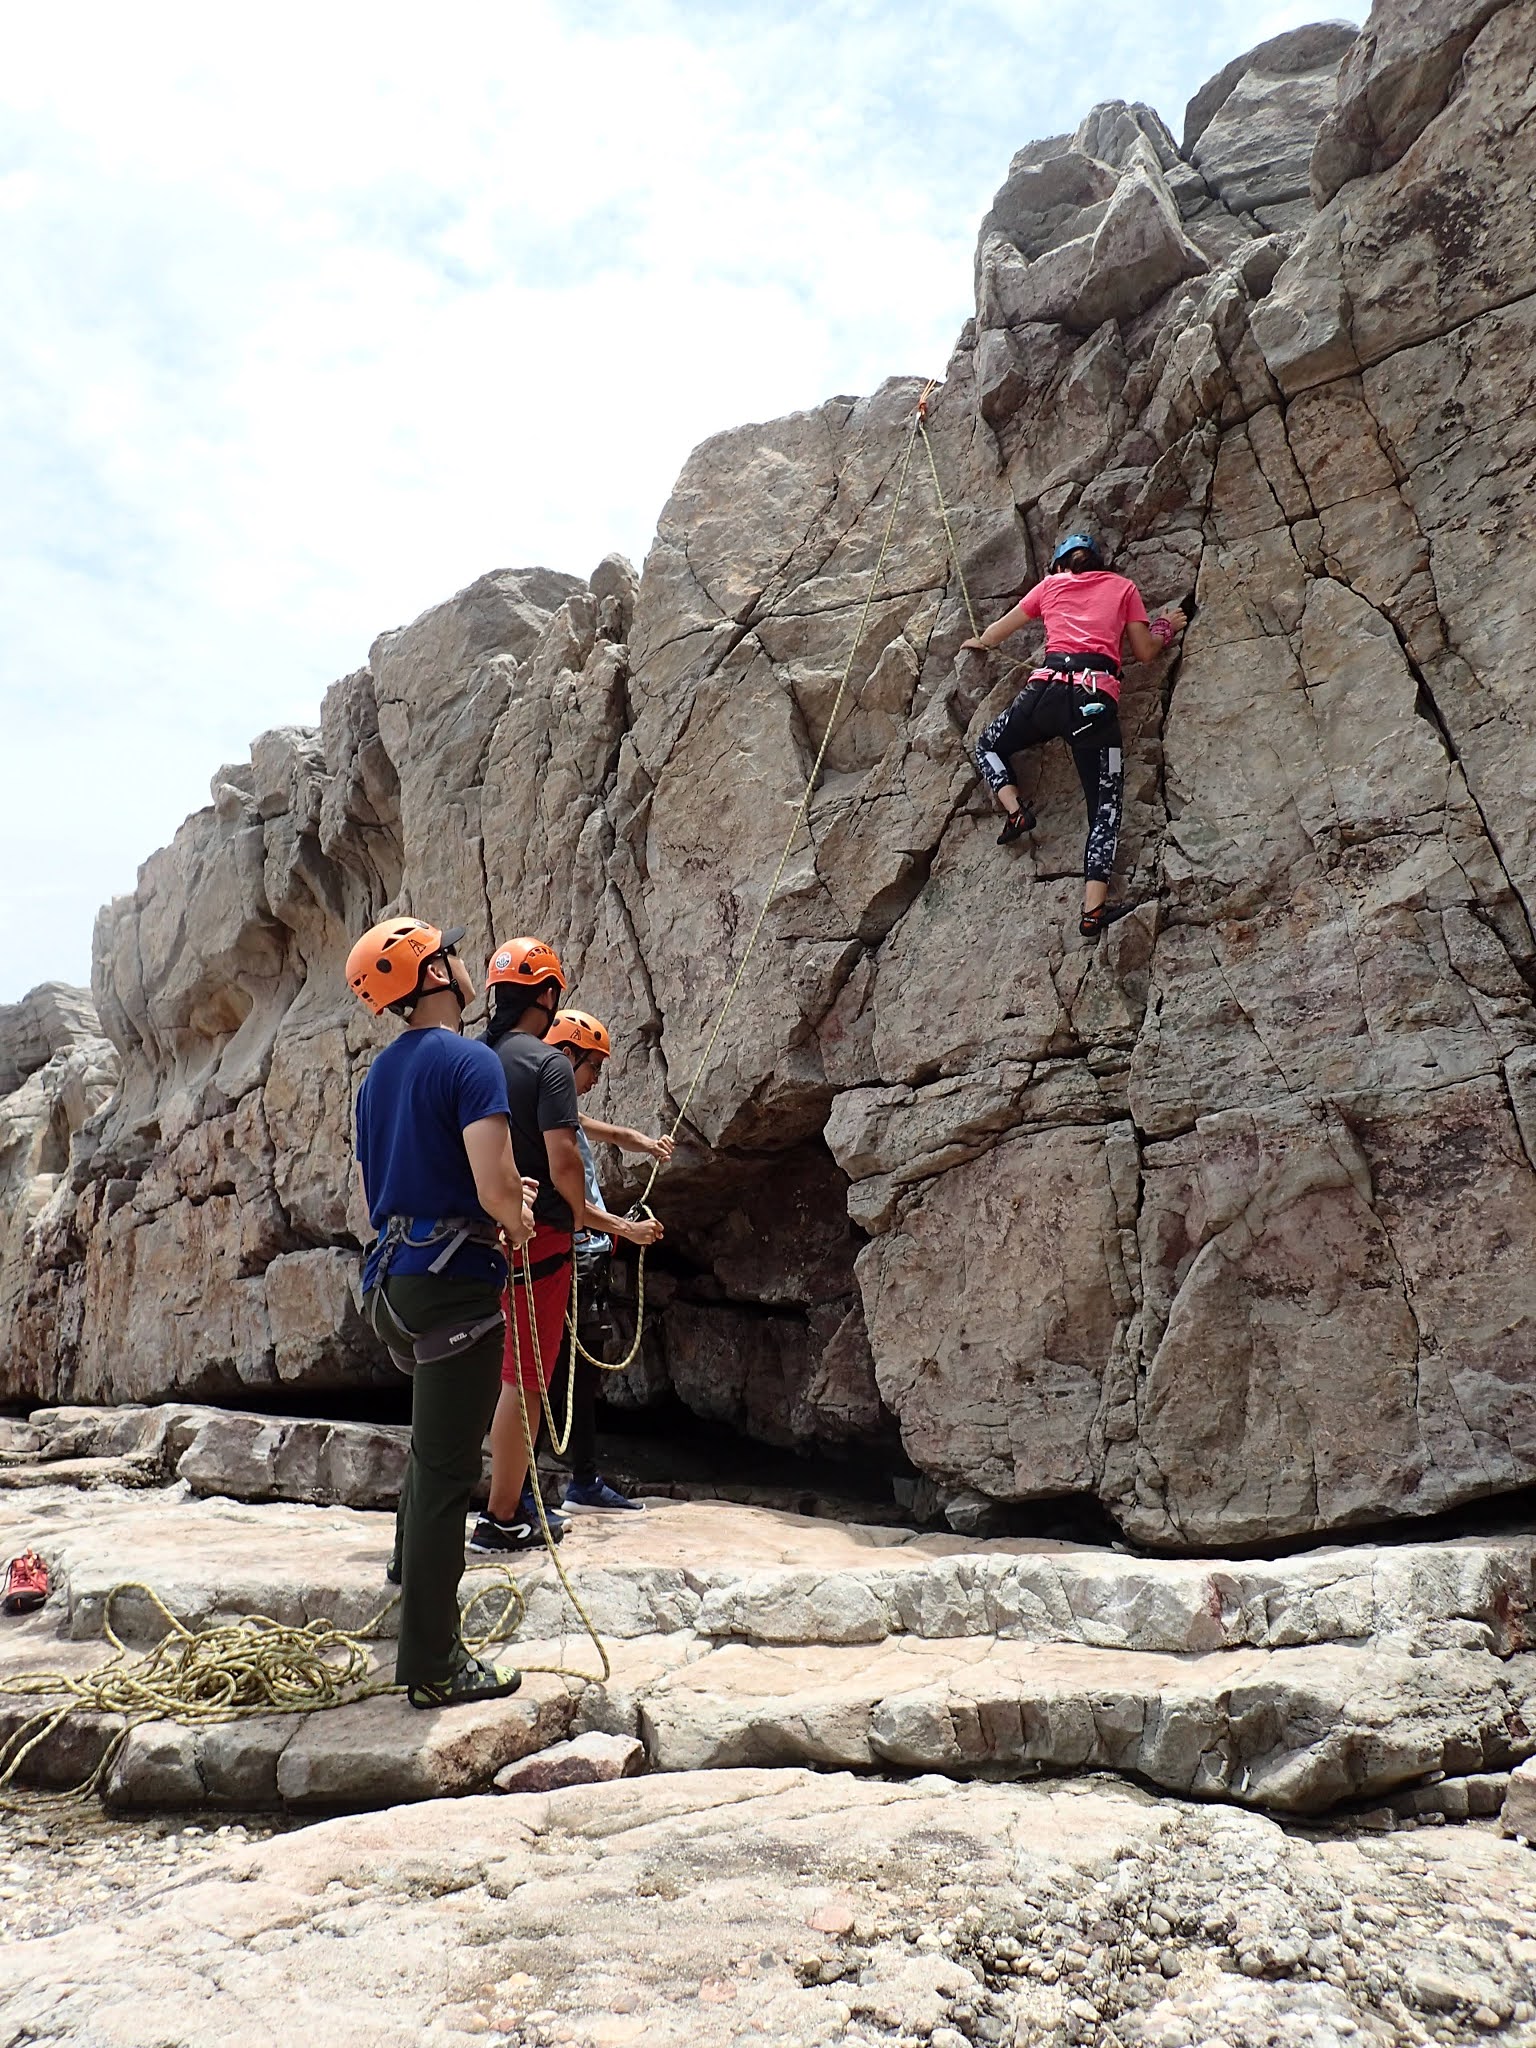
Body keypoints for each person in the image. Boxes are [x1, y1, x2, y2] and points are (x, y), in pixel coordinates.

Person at [347, 916, 537, 1709]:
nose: (465, 966)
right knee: (447, 1470)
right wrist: (515, 1220)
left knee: (432, 1447)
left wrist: (484, 1204)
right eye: (452, 956)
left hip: (392, 1282)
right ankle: (431, 1662)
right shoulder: (469, 1062)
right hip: (453, 1283)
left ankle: (407, 1572)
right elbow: (496, 1189)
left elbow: (388, 1186)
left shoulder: (375, 1081)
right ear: (432, 975)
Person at [962, 533, 1188, 938]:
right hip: (1094, 705)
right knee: (1105, 808)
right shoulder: (1122, 588)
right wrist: (1164, 626)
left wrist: (978, 642)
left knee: (988, 743)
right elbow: (1146, 652)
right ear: (1098, 563)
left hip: (1043, 695)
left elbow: (997, 632)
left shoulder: (1050, 585)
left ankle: (1015, 808)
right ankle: (1092, 912)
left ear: (1060, 565)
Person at [471, 936, 589, 1553]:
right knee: (528, 1379)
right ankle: (503, 1515)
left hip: (471, 1238)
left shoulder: (468, 1058)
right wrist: (582, 1215)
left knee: (487, 1375)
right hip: (535, 1237)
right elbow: (563, 1157)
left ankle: (508, 1503)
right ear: (546, 995)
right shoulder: (547, 1064)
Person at [543, 1008, 670, 1515]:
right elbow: (569, 1202)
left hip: (584, 1262)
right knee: (558, 1376)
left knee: (581, 1377)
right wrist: (626, 1229)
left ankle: (583, 1481)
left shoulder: (560, 1111)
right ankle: (554, 1485)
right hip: (569, 1261)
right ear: (568, 1056)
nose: (595, 1079)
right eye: (593, 1066)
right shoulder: (547, 1120)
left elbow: (601, 1129)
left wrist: (643, 1142)